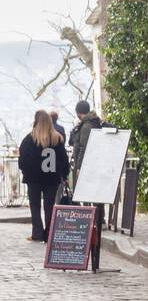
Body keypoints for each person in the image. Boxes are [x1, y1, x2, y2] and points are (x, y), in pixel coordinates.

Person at [18, 110, 69, 242]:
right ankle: (49, 234)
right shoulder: (57, 139)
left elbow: (22, 160)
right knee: (49, 206)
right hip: (52, 179)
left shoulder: (29, 139)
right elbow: (63, 160)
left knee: (35, 206)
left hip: (34, 179)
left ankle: (37, 234)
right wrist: (64, 174)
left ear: (36, 121)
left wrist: (25, 172)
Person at [68, 100, 104, 174]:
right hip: (94, 162)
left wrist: (79, 167)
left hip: (87, 166)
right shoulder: (94, 121)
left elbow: (84, 147)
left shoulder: (86, 126)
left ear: (78, 113)